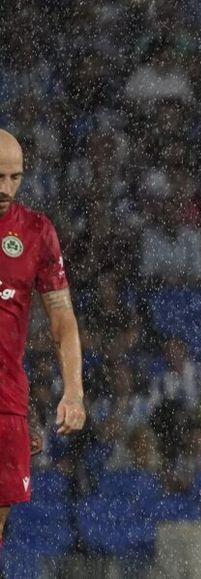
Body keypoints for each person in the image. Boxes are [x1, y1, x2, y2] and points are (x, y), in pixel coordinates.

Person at [0, 129, 86, 550]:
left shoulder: (35, 232)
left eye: (15, 178)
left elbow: (62, 319)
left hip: (5, 403)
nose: (6, 188)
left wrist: (73, 392)